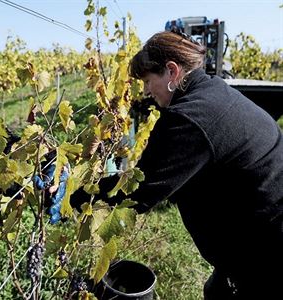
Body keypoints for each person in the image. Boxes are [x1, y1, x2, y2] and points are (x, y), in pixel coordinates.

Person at [74, 30, 283, 299]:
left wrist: (76, 195)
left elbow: (141, 190)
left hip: (269, 250)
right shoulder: (214, 90)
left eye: (149, 81)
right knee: (216, 290)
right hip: (260, 233)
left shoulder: (189, 119)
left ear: (172, 71)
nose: (147, 91)